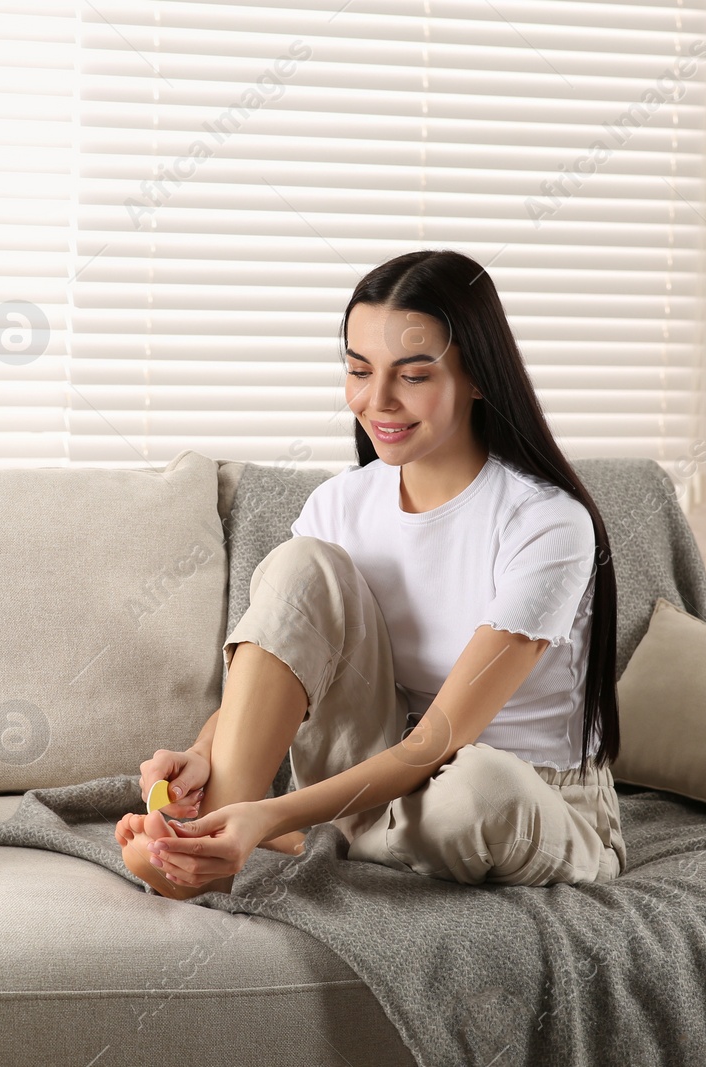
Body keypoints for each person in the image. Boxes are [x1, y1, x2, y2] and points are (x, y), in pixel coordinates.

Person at [115, 249, 626, 900]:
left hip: (525, 791)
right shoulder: (340, 503)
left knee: (475, 791)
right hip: (389, 767)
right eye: (359, 370)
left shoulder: (547, 522)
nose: (376, 400)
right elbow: (279, 651)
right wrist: (205, 754)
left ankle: (298, 834)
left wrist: (272, 813)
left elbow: (442, 739)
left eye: (412, 376)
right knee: (304, 567)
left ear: (477, 377)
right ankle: (207, 843)